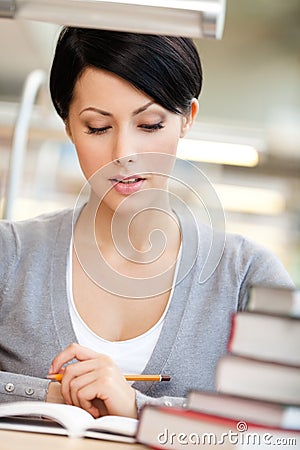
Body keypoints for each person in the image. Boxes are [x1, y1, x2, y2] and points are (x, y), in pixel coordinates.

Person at [0, 27, 294, 419]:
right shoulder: (10, 256)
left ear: (186, 119)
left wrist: (138, 410)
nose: (125, 153)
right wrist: (52, 396)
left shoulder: (247, 276)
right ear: (68, 125)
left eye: (150, 125)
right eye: (98, 127)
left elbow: (282, 429)